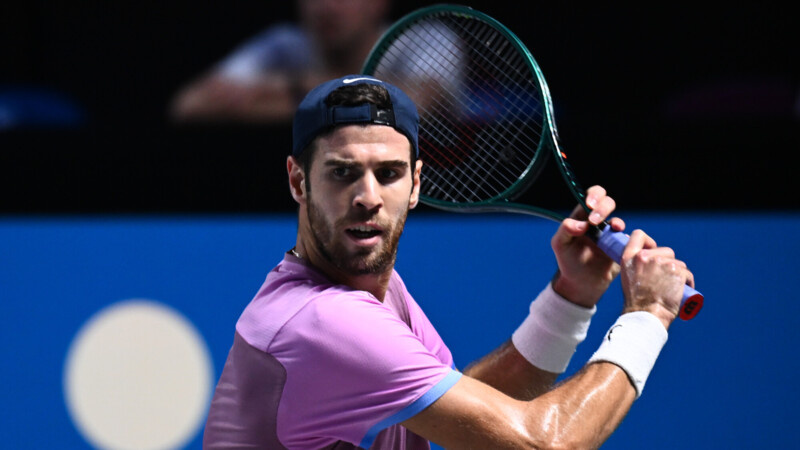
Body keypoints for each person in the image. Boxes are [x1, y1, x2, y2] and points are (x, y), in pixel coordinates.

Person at [202, 75, 696, 449]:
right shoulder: (323, 321)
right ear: (298, 181)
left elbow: (467, 414)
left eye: (388, 173)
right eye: (343, 173)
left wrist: (573, 296)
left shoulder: (371, 289)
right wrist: (648, 314)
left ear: (416, 183)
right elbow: (544, 443)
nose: (368, 197)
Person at [169, 0, 392, 124]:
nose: (327, 7)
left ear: (378, 4)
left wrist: (293, 89)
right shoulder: (283, 45)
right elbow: (189, 104)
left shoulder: (406, 42)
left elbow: (406, 102)